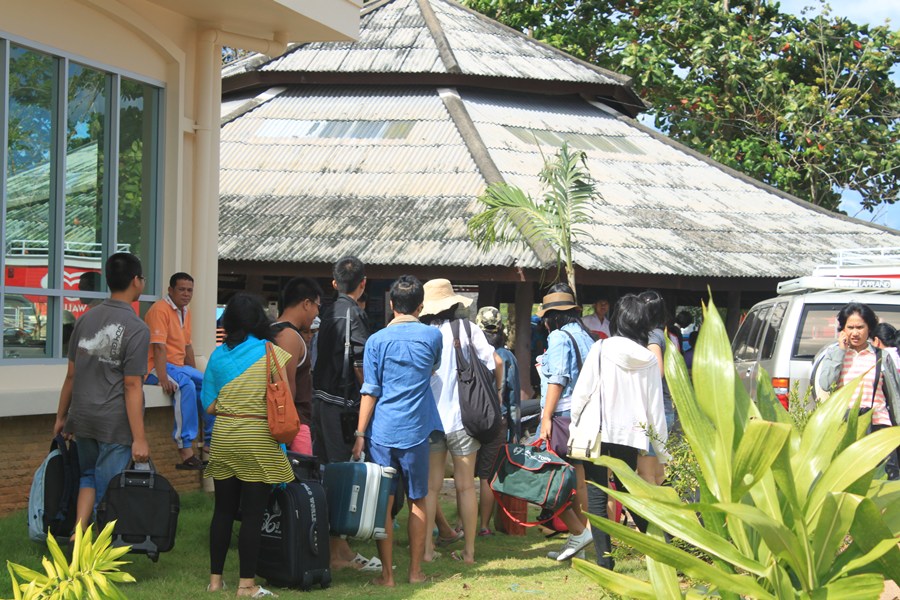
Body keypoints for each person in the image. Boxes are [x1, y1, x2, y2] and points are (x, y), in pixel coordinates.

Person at [566, 293, 670, 568]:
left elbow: (582, 392)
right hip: (630, 434)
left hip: (597, 431)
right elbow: (655, 407)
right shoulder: (648, 359)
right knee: (628, 489)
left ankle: (606, 562)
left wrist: (576, 421)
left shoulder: (601, 349)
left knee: (598, 495)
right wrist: (662, 450)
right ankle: (661, 547)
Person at [352, 275, 443, 587]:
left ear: (391, 304)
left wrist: (359, 433)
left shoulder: (376, 341)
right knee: (418, 499)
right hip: (417, 429)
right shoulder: (433, 337)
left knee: (384, 504)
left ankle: (387, 576)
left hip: (382, 431)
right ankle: (416, 572)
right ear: (421, 306)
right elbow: (433, 367)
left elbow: (370, 390)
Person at [202, 293, 294, 597]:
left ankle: (215, 581)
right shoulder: (270, 352)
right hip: (257, 439)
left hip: (225, 437)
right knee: (253, 515)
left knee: (223, 511)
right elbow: (283, 400)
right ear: (259, 320)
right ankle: (246, 585)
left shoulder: (217, 356)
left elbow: (209, 405)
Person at [53, 252, 150, 531]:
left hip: (82, 417)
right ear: (135, 281)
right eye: (142, 278)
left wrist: (62, 417)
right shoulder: (137, 328)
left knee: (87, 477)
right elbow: (132, 385)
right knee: (109, 490)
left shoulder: (86, 319)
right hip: (113, 422)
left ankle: (77, 540)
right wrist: (139, 438)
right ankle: (99, 556)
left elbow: (71, 374)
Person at [420, 279, 500, 564]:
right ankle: (468, 552)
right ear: (454, 303)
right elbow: (495, 363)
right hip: (464, 418)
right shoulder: (468, 329)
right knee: (466, 486)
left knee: (431, 487)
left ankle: (427, 550)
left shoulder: (423, 334)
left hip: (431, 419)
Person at [312, 256, 371, 570]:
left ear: (334, 284)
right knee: (341, 477)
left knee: (325, 474)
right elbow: (361, 367)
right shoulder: (355, 315)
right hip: (341, 406)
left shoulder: (327, 312)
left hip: (319, 402)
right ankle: (336, 553)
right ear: (363, 284)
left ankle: (340, 547)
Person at [535, 284, 595, 560]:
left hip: (561, 417)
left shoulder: (559, 337)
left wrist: (546, 418)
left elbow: (558, 379)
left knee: (547, 479)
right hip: (585, 417)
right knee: (578, 482)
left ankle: (578, 533)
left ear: (552, 317)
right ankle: (580, 540)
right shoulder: (587, 336)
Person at [814, 302, 900, 480]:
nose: (855, 332)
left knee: (884, 480)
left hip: (878, 425)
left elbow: (895, 395)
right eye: (850, 327)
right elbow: (825, 383)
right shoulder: (834, 353)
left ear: (869, 328)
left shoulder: (882, 356)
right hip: (845, 426)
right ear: (842, 329)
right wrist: (841, 351)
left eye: (860, 327)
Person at [144, 272, 212, 470]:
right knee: (186, 385)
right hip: (156, 366)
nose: (186, 294)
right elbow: (158, 347)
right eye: (181, 289)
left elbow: (187, 347)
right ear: (170, 290)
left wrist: (192, 370)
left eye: (189, 290)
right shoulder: (159, 310)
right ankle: (185, 448)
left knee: (209, 384)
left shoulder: (185, 311)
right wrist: (162, 377)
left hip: (178, 366)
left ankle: (210, 441)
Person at [474, 306, 521, 535]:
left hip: (470, 420)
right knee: (487, 476)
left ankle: (462, 525)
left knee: (465, 477)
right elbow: (513, 400)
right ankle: (483, 526)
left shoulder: (470, 351)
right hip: (497, 422)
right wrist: (516, 433)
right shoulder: (506, 356)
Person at [272, 277, 322, 456]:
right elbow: (286, 389)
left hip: (279, 425)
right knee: (300, 480)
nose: (317, 312)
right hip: (293, 425)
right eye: (317, 306)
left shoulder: (272, 329)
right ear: (307, 304)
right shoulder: (289, 336)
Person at [637, 290, 676, 487]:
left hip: (655, 411)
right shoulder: (663, 333)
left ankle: (651, 517)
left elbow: (657, 371)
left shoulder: (652, 336)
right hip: (665, 408)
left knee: (646, 472)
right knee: (660, 472)